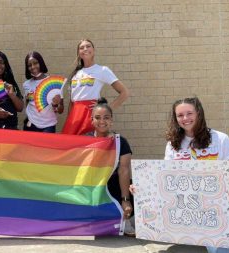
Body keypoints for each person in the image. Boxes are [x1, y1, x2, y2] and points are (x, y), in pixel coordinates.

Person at [165, 97, 229, 253]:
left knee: (223, 251)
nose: (185, 118)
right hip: (187, 213)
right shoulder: (172, 145)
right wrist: (141, 189)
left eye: (189, 113)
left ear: (199, 113)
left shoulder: (220, 139)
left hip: (217, 212)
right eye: (180, 115)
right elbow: (167, 178)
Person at [86, 98, 135, 236]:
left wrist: (125, 200)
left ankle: (125, 219)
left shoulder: (121, 142)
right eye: (98, 118)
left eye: (106, 118)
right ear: (92, 120)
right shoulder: (86, 140)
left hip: (113, 185)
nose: (102, 121)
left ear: (111, 120)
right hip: (94, 185)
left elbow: (124, 170)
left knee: (133, 187)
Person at [62, 39, 129, 135]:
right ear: (79, 53)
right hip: (74, 116)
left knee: (90, 146)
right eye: (81, 48)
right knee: (71, 145)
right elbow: (72, 101)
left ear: (94, 50)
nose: (85, 49)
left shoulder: (102, 70)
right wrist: (69, 118)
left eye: (88, 46)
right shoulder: (75, 74)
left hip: (90, 115)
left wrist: (106, 108)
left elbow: (124, 93)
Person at [22, 51, 64, 133]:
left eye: (35, 63)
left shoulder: (54, 83)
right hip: (30, 125)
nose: (33, 67)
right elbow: (28, 103)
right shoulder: (26, 84)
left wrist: (56, 104)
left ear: (41, 63)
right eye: (29, 65)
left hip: (48, 126)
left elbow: (61, 110)